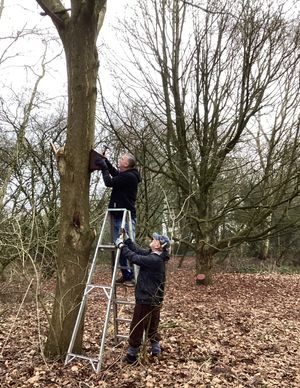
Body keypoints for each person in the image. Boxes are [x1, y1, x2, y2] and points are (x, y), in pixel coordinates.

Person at [115, 232, 171, 365]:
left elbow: (135, 257)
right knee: (153, 325)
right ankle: (156, 350)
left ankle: (132, 356)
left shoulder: (154, 260)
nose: (152, 239)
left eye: (155, 239)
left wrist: (121, 246)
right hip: (155, 298)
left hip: (146, 298)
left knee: (137, 326)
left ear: (158, 245)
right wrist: (127, 241)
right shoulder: (155, 256)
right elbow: (138, 251)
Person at [96, 152, 141, 285]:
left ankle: (131, 275)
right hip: (119, 216)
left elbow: (109, 182)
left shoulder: (130, 177)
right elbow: (115, 174)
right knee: (119, 246)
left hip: (125, 217)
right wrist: (106, 162)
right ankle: (126, 274)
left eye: (122, 158)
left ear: (126, 164)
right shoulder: (126, 175)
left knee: (126, 246)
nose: (120, 159)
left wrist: (104, 167)